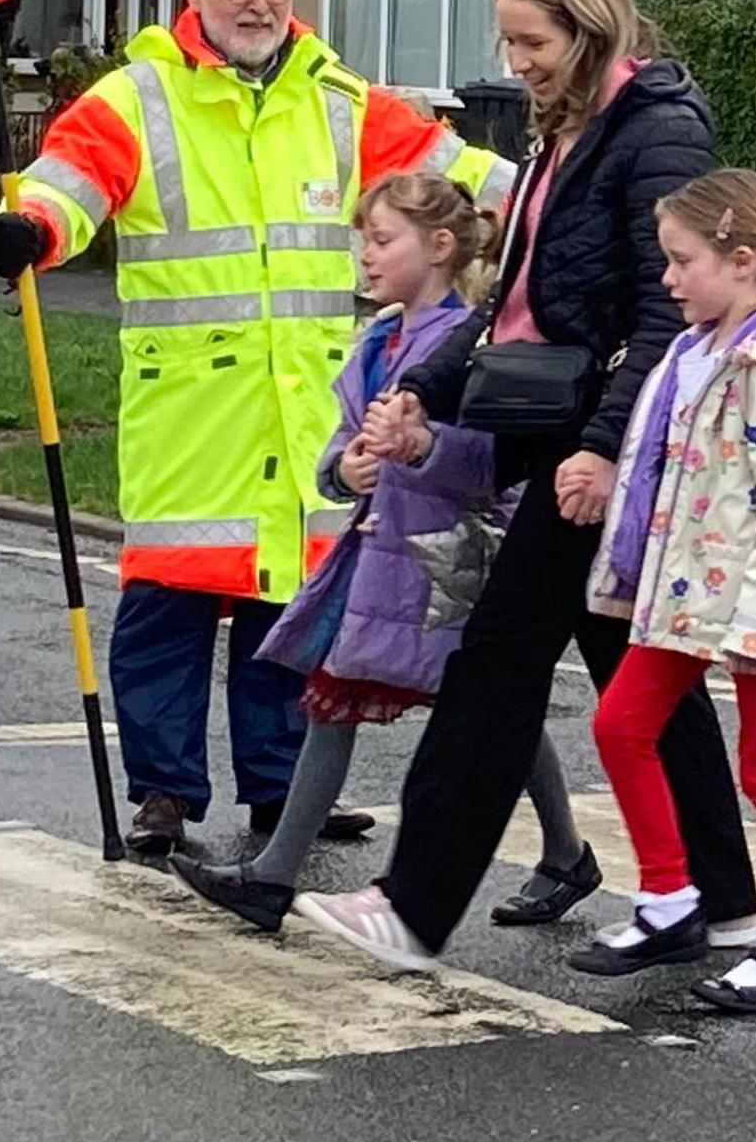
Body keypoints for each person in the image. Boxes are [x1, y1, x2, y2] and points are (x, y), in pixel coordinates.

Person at [0, 0, 515, 863]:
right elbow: (68, 183)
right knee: (169, 607)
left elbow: (458, 175)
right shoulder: (139, 98)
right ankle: (163, 794)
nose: (261, 4)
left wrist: (560, 199)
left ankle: (282, 792)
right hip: (193, 413)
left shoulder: (342, 99)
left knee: (296, 606)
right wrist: (31, 226)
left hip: (315, 407)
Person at [293, 0, 756, 973]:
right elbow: (513, 304)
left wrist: (601, 452)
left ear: (589, 29)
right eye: (507, 41)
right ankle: (722, 908)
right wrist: (422, 393)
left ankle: (414, 907)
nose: (517, 63)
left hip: (600, 450)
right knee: (646, 681)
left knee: (497, 662)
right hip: (561, 439)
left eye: (532, 41)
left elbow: (663, 315)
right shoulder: (568, 130)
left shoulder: (658, 134)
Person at [172, 172, 598, 931]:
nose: (364, 256)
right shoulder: (376, 340)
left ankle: (565, 853)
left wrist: (419, 447)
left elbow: (487, 469)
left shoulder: (470, 348)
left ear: (438, 248)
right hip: (379, 558)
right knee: (339, 701)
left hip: (446, 563)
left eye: (381, 240)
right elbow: (338, 449)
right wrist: (345, 470)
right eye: (362, 240)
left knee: (493, 707)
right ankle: (272, 878)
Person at [577, 169, 756, 1014]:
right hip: (693, 587)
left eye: (681, 261)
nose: (668, 280)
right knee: (620, 723)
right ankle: (669, 898)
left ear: (742, 261)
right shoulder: (695, 350)